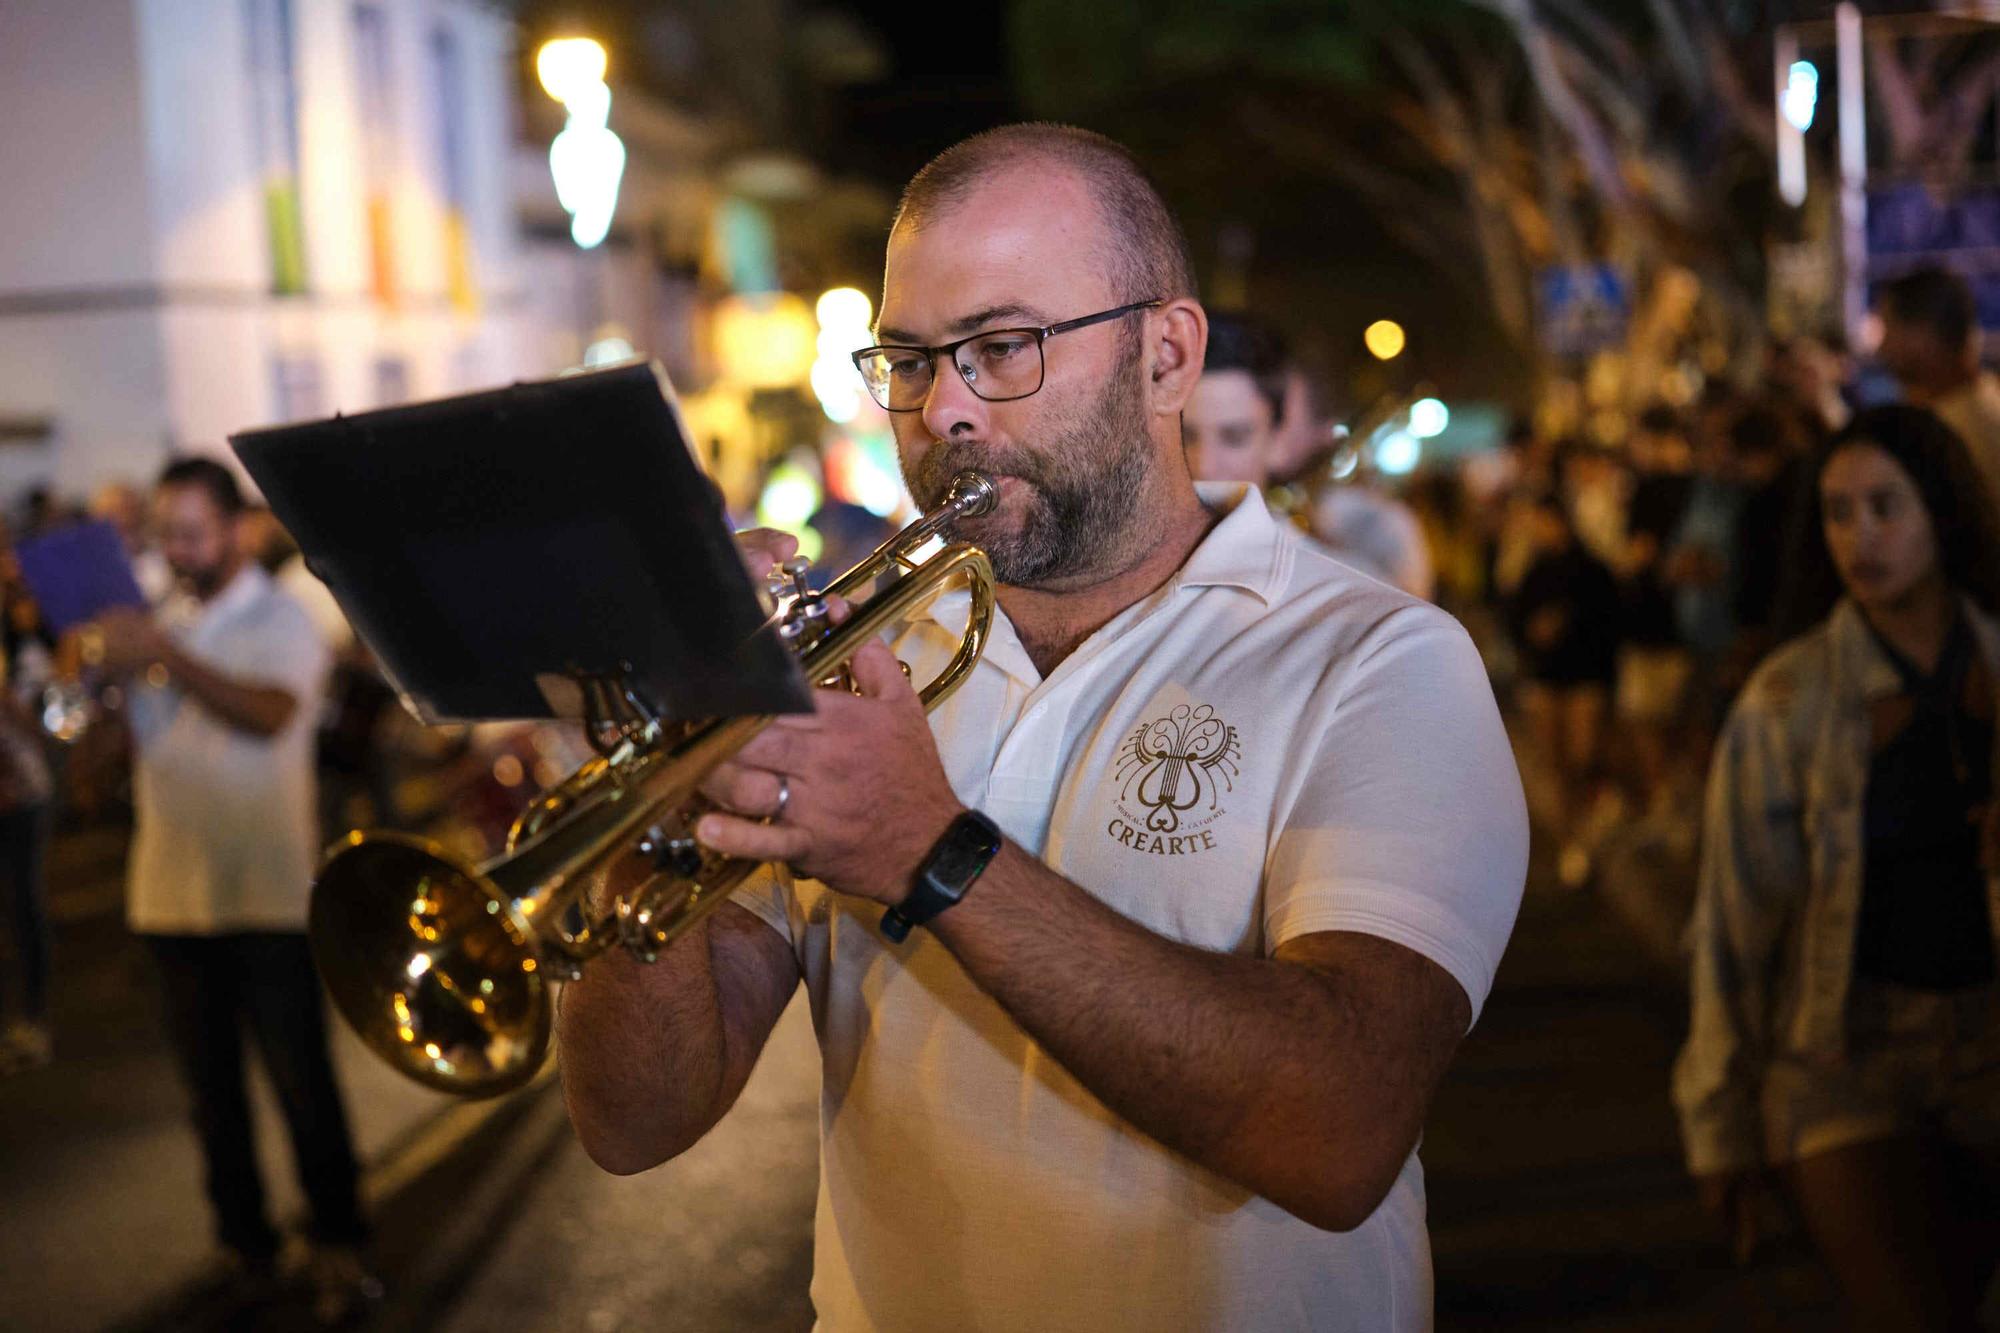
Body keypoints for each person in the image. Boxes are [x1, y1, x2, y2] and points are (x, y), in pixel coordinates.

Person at [558, 124, 1528, 1331]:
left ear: (1164, 356)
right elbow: (638, 1120)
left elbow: (1337, 1129)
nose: (942, 410)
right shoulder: (859, 659)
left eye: (1000, 348)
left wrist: (929, 848)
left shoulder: (1377, 659)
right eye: (907, 361)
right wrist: (642, 788)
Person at [1672, 405, 2000, 1330]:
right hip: (1849, 1049)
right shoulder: (1788, 699)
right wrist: (1720, 1124)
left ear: (1943, 513)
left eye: (1887, 507)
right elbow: (1735, 923)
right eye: (1838, 511)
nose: (1862, 536)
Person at [83, 458, 374, 1322]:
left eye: (192, 531)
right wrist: (99, 686)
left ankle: (340, 1243)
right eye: (165, 532)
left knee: (301, 1086)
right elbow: (105, 769)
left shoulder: (284, 616)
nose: (176, 549)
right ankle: (242, 1244)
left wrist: (162, 654)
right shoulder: (158, 620)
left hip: (268, 895)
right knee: (210, 1099)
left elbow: (273, 714)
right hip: (169, 896)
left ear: (237, 528)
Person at [1875, 266, 2000, 505]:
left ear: (1922, 336)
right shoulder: (1980, 405)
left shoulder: (1951, 436)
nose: (1882, 348)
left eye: (1888, 330)